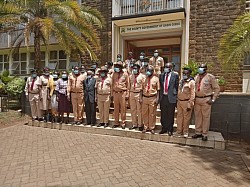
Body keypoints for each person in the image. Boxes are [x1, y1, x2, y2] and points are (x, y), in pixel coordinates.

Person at [192, 64, 220, 141]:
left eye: (201, 68)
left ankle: (204, 134)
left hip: (206, 99)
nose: (200, 69)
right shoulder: (196, 77)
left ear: (205, 69)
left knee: (206, 117)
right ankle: (198, 132)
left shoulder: (210, 77)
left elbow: (217, 89)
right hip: (197, 99)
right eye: (199, 67)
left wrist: (213, 99)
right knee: (198, 117)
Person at [159, 62, 179, 136]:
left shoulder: (175, 75)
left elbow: (176, 86)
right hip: (163, 97)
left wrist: (176, 95)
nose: (166, 68)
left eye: (168, 67)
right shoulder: (161, 75)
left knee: (170, 114)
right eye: (165, 67)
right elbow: (161, 86)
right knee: (163, 114)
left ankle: (170, 129)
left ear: (171, 68)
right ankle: (164, 128)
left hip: (171, 97)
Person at [176, 68, 195, 138]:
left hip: (186, 102)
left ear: (189, 74)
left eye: (186, 73)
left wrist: (190, 104)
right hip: (180, 101)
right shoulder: (181, 81)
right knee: (179, 117)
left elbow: (193, 94)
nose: (184, 75)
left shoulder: (191, 82)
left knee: (186, 118)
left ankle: (185, 132)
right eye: (183, 73)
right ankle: (179, 131)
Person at [142, 65, 160, 134]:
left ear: (152, 71)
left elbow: (158, 90)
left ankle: (152, 127)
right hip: (145, 97)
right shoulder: (144, 79)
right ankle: (145, 127)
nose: (148, 72)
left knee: (152, 114)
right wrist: (141, 97)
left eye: (149, 71)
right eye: (147, 71)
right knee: (145, 113)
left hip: (152, 97)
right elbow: (141, 89)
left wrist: (157, 99)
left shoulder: (156, 79)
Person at [111, 61, 130, 129]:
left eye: (118, 67)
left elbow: (128, 84)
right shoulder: (114, 74)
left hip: (122, 93)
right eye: (116, 67)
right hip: (115, 93)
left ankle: (123, 122)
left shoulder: (125, 74)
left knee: (123, 108)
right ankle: (116, 122)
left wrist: (127, 94)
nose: (116, 68)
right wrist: (112, 93)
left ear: (120, 68)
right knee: (116, 109)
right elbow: (112, 83)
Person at [129, 63, 146, 131]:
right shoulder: (131, 76)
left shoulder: (142, 76)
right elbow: (130, 84)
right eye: (133, 69)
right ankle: (134, 124)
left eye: (136, 68)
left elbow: (143, 87)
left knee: (139, 110)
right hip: (132, 93)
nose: (134, 70)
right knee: (133, 110)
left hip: (139, 93)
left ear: (139, 69)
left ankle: (140, 124)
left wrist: (141, 96)